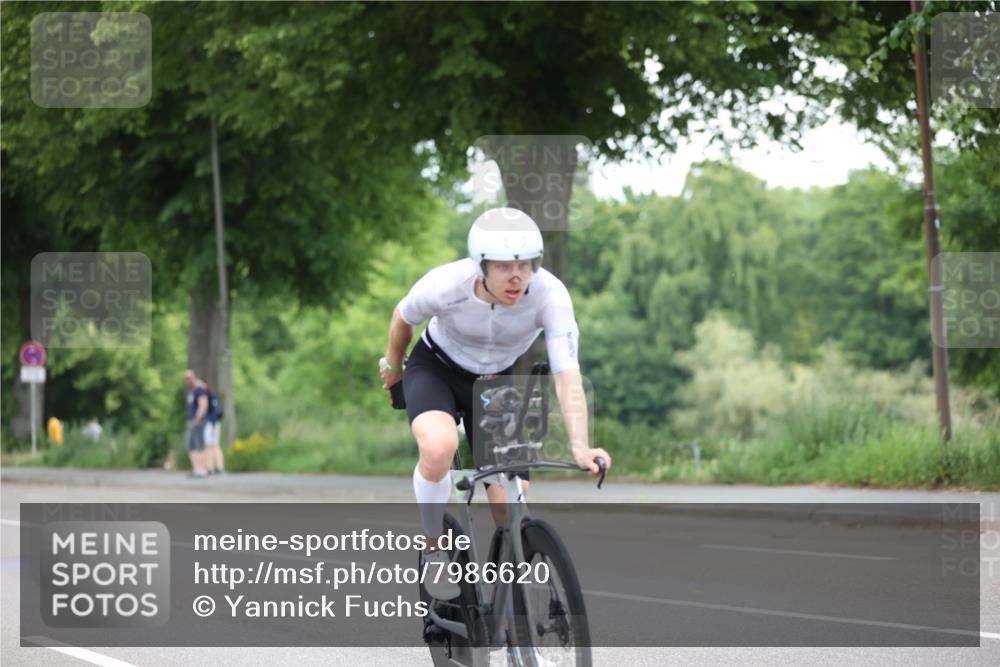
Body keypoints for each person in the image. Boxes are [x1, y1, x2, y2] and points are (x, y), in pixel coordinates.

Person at [379, 207, 612, 600]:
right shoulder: (445, 284)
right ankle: (435, 546)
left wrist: (580, 445)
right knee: (439, 447)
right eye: (504, 266)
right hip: (436, 368)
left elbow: (567, 372)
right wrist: (394, 365)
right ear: (480, 266)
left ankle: (509, 610)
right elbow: (403, 317)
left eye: (525, 264)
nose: (517, 276)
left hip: (493, 383)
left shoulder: (549, 295)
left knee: (510, 506)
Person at [184, 369, 211, 479]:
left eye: (190, 377)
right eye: (186, 378)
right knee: (191, 446)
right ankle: (197, 469)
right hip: (192, 420)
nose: (188, 380)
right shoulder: (193, 391)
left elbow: (203, 405)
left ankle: (203, 470)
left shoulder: (200, 390)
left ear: (194, 377)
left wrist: (198, 418)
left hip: (197, 421)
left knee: (200, 445)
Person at [203, 382, 225, 475]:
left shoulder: (211, 397)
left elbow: (216, 412)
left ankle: (217, 467)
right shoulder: (207, 397)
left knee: (212, 446)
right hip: (211, 423)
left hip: (212, 424)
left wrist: (214, 425)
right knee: (211, 446)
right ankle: (211, 467)